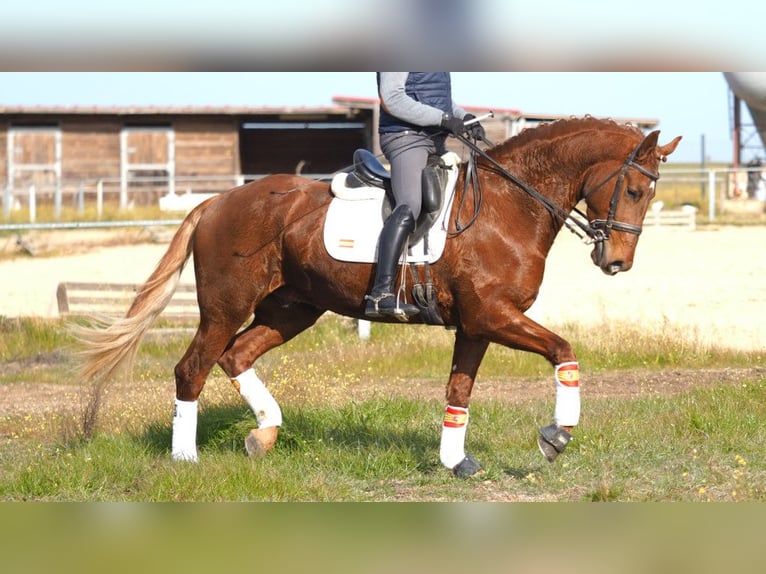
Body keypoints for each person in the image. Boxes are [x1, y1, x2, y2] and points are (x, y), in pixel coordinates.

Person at [364, 72, 485, 320]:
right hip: (405, 138)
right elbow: (392, 98)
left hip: (434, 139)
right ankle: (380, 294)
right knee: (411, 204)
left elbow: (439, 100)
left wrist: (465, 118)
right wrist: (443, 119)